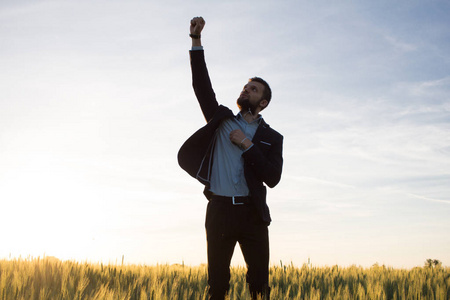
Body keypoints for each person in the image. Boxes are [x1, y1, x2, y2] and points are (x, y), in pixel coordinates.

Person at [178, 16, 283, 300]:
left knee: (260, 284)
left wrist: (248, 145)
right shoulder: (222, 119)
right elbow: (201, 87)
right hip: (220, 212)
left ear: (262, 103)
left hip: (253, 214)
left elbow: (272, 178)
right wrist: (196, 41)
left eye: (253, 89)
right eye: (246, 86)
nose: (245, 90)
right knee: (217, 286)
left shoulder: (273, 138)